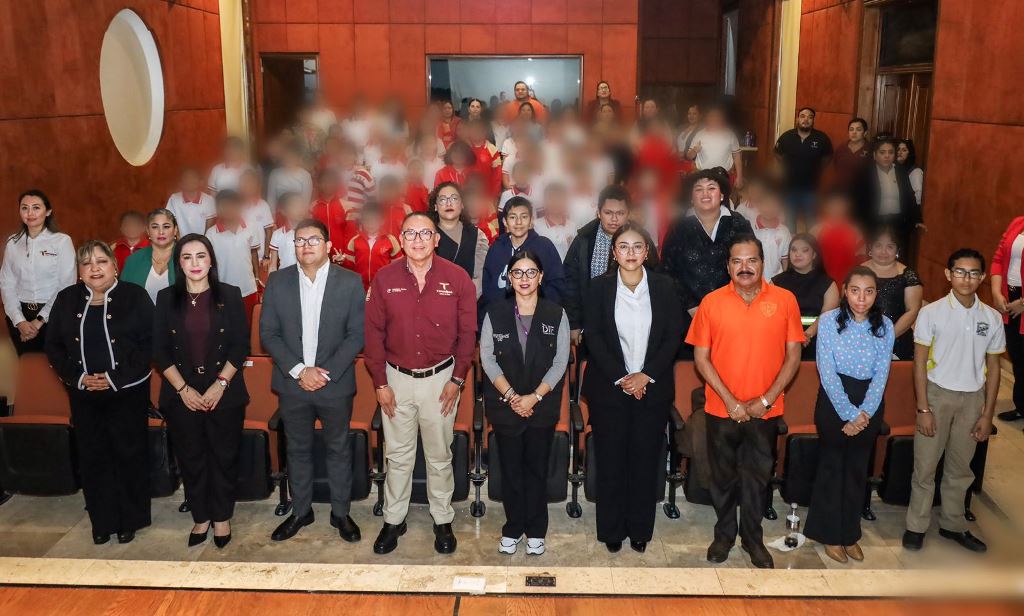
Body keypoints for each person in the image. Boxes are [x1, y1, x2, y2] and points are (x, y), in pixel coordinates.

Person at [687, 234, 804, 569]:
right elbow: (701, 359)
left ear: (763, 263)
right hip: (721, 408)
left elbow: (794, 356)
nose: (744, 267)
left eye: (751, 260)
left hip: (765, 411)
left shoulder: (785, 300)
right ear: (728, 266)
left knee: (757, 479)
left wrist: (765, 400)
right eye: (737, 261)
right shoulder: (711, 302)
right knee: (722, 477)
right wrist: (731, 401)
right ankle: (724, 535)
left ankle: (753, 539)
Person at [364, 212, 477, 555]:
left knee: (439, 455)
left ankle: (442, 519)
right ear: (401, 239)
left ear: (436, 239)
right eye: (410, 234)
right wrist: (380, 383)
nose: (418, 240)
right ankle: (393, 519)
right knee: (397, 456)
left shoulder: (458, 278)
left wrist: (457, 379)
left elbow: (467, 334)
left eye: (425, 234)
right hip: (395, 380)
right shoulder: (384, 279)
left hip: (441, 381)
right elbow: (373, 334)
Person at [261, 219, 366, 543]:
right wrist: (299, 370)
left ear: (329, 246)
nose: (306, 246)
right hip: (293, 385)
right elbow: (268, 334)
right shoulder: (277, 281)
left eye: (313, 240)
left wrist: (322, 372)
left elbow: (356, 335)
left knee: (338, 449)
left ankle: (340, 513)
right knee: (297, 450)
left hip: (334, 384)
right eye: (300, 241)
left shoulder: (350, 282)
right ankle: (300, 511)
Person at [580, 224, 683, 553]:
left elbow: (674, 336)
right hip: (609, 389)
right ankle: (611, 529)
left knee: (644, 460)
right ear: (614, 252)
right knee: (611, 461)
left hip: (652, 388)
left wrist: (645, 375)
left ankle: (640, 529)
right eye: (623, 247)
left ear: (646, 251)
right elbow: (594, 336)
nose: (630, 253)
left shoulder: (664, 287)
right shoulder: (599, 287)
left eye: (637, 246)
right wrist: (623, 377)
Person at [44, 240, 154, 545]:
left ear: (114, 266)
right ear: (79, 271)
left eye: (101, 261)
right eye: (87, 263)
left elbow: (149, 344)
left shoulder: (135, 296)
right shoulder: (66, 299)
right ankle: (102, 521)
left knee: (129, 454)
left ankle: (130, 519)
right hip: (84, 395)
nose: (94, 268)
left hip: (127, 392)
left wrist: (114, 378)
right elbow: (53, 346)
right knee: (94, 456)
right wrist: (79, 378)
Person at [152, 233, 250, 549]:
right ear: (179, 264)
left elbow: (240, 346)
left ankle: (221, 517)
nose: (194, 263)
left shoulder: (230, 295)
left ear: (211, 261)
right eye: (187, 257)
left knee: (223, 457)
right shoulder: (166, 298)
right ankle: (201, 516)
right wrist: (183, 389)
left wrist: (220, 384)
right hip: (181, 393)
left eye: (200, 256)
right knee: (191, 458)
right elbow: (159, 350)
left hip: (224, 390)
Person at [903, 249, 1004, 554]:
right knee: (925, 467)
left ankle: (953, 523)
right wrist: (923, 408)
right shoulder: (931, 313)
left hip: (972, 400)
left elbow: (994, 368)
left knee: (961, 469)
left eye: (973, 273)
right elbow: (919, 364)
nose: (966, 278)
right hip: (937, 395)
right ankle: (916, 526)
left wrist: (987, 414)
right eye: (960, 271)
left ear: (982, 277)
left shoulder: (991, 318)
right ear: (948, 274)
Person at [480, 251, 570, 556]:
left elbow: (560, 362)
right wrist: (512, 397)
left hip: (541, 406)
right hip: (505, 406)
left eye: (531, 272)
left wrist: (534, 396)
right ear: (509, 278)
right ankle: (513, 527)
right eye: (517, 273)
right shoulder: (495, 313)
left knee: (536, 470)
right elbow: (487, 359)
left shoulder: (556, 314)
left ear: (541, 277)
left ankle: (536, 530)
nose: (524, 279)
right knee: (511, 471)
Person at [806, 267, 894, 563]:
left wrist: (864, 413)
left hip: (870, 402)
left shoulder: (885, 325)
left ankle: (849, 533)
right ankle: (829, 534)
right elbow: (826, 370)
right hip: (834, 401)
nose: (861, 298)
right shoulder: (829, 321)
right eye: (855, 291)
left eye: (869, 292)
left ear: (876, 294)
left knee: (857, 469)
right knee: (832, 467)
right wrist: (848, 413)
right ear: (845, 291)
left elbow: (882, 373)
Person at [661, 170, 754, 356]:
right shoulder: (678, 226)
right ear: (691, 197)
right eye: (699, 189)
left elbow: (751, 263)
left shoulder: (738, 223)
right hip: (688, 314)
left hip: (732, 311)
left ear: (722, 195)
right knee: (691, 364)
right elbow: (667, 271)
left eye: (711, 188)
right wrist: (691, 306)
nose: (705, 193)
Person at [1, 189, 76, 355]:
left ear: (48, 212)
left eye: (36, 207)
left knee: (55, 365)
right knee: (28, 365)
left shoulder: (62, 241)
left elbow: (66, 284)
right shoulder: (13, 242)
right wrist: (19, 321)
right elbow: (7, 283)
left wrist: (40, 320)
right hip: (20, 317)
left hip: (54, 315)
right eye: (24, 208)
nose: (30, 213)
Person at [480, 197, 565, 312]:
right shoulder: (496, 248)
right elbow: (488, 286)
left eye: (524, 217)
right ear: (505, 221)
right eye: (513, 217)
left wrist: (539, 309)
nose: (518, 222)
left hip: (538, 314)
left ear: (531, 221)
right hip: (501, 315)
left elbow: (557, 284)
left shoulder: (544, 246)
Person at [772, 233, 840, 360]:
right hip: (782, 340)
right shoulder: (776, 282)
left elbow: (826, 317)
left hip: (817, 340)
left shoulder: (828, 284)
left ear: (814, 255)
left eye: (804, 250)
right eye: (793, 250)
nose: (797, 254)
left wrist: (807, 335)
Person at [852, 137, 922, 255]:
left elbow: (910, 197)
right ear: (875, 155)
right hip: (874, 222)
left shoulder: (900, 171)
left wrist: (917, 218)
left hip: (897, 222)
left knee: (897, 255)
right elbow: (858, 201)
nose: (887, 156)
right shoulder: (865, 173)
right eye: (882, 152)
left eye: (891, 152)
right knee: (875, 254)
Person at [862, 227, 923, 360]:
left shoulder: (908, 275)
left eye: (890, 246)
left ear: (897, 250)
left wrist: (888, 337)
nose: (883, 251)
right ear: (870, 248)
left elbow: (912, 310)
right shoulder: (857, 272)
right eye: (878, 245)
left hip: (898, 339)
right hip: (861, 338)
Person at [205, 190, 261, 323]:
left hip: (248, 288)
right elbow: (209, 265)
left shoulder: (251, 226)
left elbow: (253, 253)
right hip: (223, 290)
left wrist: (257, 278)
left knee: (250, 325)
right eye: (223, 206)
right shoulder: (211, 234)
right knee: (226, 326)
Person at [773, 107, 834, 229]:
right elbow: (777, 153)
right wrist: (786, 165)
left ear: (813, 120)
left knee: (811, 223)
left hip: (811, 189)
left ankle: (811, 241)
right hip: (789, 188)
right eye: (802, 116)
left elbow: (828, 157)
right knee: (789, 222)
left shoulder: (821, 138)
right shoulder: (787, 137)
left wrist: (816, 167)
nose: (806, 119)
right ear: (797, 119)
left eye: (810, 117)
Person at [990, 215, 1024, 423]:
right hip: (1010, 299)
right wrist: (996, 292)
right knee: (1018, 356)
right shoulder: (1018, 222)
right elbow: (998, 259)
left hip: (1021, 302)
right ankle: (1021, 406)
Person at [431, 182, 488, 296]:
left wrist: (466, 301)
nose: (448, 203)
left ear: (462, 204)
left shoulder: (477, 235)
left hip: (468, 298)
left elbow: (479, 277)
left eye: (454, 198)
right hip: (434, 299)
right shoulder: (427, 235)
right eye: (443, 199)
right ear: (436, 206)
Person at [121, 209, 178, 304]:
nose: (161, 232)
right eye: (155, 227)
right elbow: (122, 296)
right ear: (148, 231)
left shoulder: (186, 257)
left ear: (175, 230)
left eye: (166, 226)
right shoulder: (133, 260)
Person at [341, 203, 402, 291]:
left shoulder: (390, 240)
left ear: (381, 221)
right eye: (367, 220)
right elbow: (349, 266)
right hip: (360, 286)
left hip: (382, 286)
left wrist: (392, 283)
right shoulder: (354, 240)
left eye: (374, 220)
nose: (370, 224)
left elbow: (398, 266)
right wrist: (342, 261)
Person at [812, 191, 864, 286]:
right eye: (833, 205)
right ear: (826, 208)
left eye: (840, 206)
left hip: (849, 283)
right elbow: (809, 259)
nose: (836, 209)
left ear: (846, 208)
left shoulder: (855, 231)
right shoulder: (817, 230)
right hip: (823, 283)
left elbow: (862, 260)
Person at [686, 106, 743, 188]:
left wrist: (739, 177)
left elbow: (737, 156)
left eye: (717, 116)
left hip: (724, 177)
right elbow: (689, 156)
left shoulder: (730, 134)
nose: (714, 119)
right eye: (711, 116)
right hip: (703, 177)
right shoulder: (699, 134)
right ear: (707, 119)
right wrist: (695, 150)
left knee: (725, 196)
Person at [748, 191, 792, 280]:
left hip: (776, 281)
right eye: (765, 205)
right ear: (759, 206)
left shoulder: (784, 231)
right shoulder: (749, 228)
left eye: (773, 205)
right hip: (753, 280)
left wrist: (785, 280)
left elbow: (785, 261)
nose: (769, 209)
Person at [237, 170, 275, 263]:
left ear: (257, 186)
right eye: (245, 182)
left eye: (251, 182)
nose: (248, 186)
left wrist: (266, 255)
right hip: (241, 258)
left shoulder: (263, 205)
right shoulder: (236, 206)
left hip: (260, 258)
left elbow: (269, 232)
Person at [532, 182, 577, 261]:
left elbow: (575, 254)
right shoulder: (535, 226)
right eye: (551, 198)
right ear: (544, 202)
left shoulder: (573, 226)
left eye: (559, 198)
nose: (555, 202)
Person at [268, 192, 311, 273]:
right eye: (294, 206)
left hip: (304, 276)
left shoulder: (309, 233)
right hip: (284, 277)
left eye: (301, 206)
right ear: (284, 211)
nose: (299, 210)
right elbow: (273, 264)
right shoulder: (277, 234)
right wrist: (272, 279)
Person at [165, 167, 215, 237]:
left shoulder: (208, 200)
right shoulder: (174, 199)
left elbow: (209, 227)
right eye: (186, 178)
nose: (190, 180)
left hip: (202, 240)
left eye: (193, 178)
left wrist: (203, 241)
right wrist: (179, 241)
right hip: (181, 240)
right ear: (180, 183)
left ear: (201, 182)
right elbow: (171, 222)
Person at [267, 142, 314, 208]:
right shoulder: (275, 174)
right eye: (286, 156)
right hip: (279, 210)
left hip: (298, 210)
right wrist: (272, 213)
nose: (289, 159)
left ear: (298, 158)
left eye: (292, 157)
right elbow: (271, 198)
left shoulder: (305, 175)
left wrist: (300, 212)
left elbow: (306, 200)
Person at [832, 118, 871, 192]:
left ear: (865, 133)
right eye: (851, 129)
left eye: (858, 129)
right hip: (841, 192)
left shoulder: (871, 149)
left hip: (863, 193)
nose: (854, 132)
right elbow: (834, 169)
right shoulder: (841, 148)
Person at [896, 139, 924, 206]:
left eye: (904, 150)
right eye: (898, 149)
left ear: (909, 153)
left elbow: (918, 199)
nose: (900, 152)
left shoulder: (916, 172)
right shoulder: (895, 168)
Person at [676, 104, 702, 173]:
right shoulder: (681, 127)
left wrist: (683, 154)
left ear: (700, 115)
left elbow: (698, 148)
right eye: (689, 113)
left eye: (694, 114)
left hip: (690, 163)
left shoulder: (701, 130)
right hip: (677, 161)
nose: (691, 116)